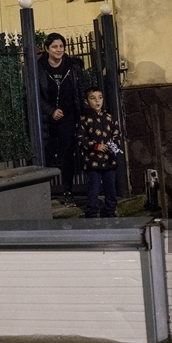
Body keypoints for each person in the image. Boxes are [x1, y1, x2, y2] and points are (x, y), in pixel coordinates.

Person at [37, 32, 86, 202]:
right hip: (46, 119)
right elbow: (35, 96)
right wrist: (51, 111)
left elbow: (80, 91)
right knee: (47, 155)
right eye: (54, 47)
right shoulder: (39, 68)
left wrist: (82, 112)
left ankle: (67, 191)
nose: (58, 50)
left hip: (68, 118)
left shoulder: (72, 67)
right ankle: (45, 193)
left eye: (61, 46)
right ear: (47, 49)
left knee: (67, 155)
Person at [77, 88, 122, 218]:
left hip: (109, 161)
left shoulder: (109, 118)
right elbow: (80, 138)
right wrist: (95, 146)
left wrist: (112, 147)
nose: (97, 101)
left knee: (111, 190)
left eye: (100, 97)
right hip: (93, 163)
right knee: (94, 190)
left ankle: (110, 212)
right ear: (87, 101)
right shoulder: (84, 120)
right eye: (93, 98)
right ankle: (91, 213)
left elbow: (116, 135)